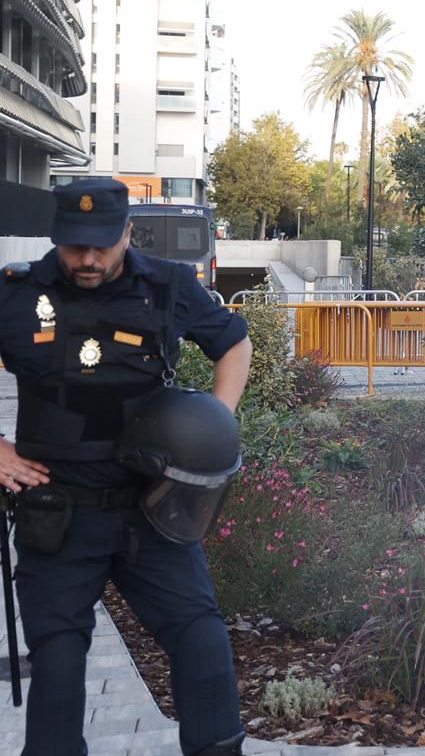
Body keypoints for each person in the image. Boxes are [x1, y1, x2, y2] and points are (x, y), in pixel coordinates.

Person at [0, 179, 253, 756]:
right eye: (73, 245)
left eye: (102, 244)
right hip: (57, 516)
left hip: (153, 514)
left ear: (127, 234)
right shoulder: (14, 293)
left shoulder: (166, 285)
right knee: (59, 668)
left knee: (203, 646)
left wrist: (216, 421)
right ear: (55, 237)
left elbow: (233, 343)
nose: (87, 258)